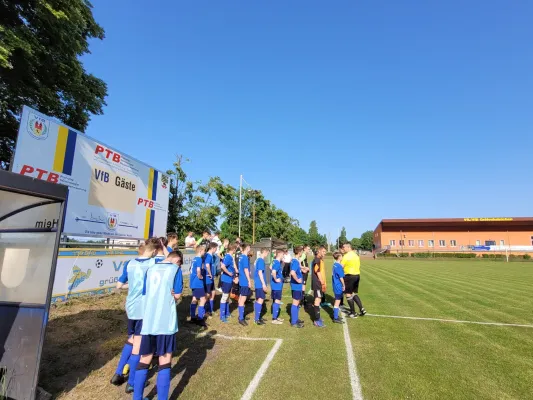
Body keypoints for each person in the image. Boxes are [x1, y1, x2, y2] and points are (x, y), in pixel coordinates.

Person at [111, 238, 164, 393]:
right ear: (154, 251)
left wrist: (133, 285)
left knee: (132, 338)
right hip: (143, 308)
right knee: (138, 347)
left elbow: (119, 286)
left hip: (131, 307)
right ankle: (132, 382)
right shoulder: (154, 264)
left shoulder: (129, 263)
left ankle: (119, 373)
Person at [132, 251, 183, 400]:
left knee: (145, 359)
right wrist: (173, 294)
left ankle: (137, 397)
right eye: (179, 262)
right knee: (165, 361)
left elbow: (145, 293)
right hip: (165, 322)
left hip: (149, 321)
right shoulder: (175, 269)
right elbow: (178, 295)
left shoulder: (151, 268)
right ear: (177, 260)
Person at [341, 242, 366, 318]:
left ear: (349, 247)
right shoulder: (356, 255)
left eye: (344, 247)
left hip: (349, 276)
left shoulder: (346, 256)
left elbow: (341, 266)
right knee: (353, 293)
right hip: (357, 275)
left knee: (348, 294)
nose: (343, 249)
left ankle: (353, 312)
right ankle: (362, 309)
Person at [189, 245, 207, 328]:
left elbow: (190, 270)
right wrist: (200, 276)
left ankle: (192, 317)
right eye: (204, 251)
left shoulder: (194, 258)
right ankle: (200, 319)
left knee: (194, 299)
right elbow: (198, 270)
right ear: (201, 251)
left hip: (193, 282)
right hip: (198, 283)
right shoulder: (199, 259)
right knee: (203, 299)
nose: (204, 252)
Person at [219, 243, 237, 322]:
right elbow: (222, 266)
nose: (235, 251)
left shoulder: (229, 256)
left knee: (227, 297)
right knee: (224, 297)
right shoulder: (228, 257)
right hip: (226, 280)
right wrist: (229, 273)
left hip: (229, 280)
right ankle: (222, 316)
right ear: (233, 249)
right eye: (235, 249)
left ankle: (227, 313)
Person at [311, 246, 327, 328]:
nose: (325, 253)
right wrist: (322, 283)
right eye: (323, 251)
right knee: (317, 300)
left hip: (318, 283)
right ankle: (316, 320)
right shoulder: (317, 260)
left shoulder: (319, 260)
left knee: (319, 299)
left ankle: (318, 318)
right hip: (317, 284)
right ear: (319, 251)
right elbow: (317, 271)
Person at [253, 247, 269, 325]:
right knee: (260, 300)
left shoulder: (258, 260)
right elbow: (260, 272)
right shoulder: (261, 260)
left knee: (258, 299)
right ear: (265, 252)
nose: (268, 254)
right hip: (259, 284)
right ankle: (257, 319)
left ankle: (258, 317)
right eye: (267, 253)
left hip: (258, 283)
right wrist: (263, 284)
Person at [290, 246, 305, 328]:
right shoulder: (295, 261)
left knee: (297, 302)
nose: (302, 253)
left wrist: (303, 268)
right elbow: (292, 272)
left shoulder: (294, 260)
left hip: (296, 286)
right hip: (296, 286)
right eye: (302, 252)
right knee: (295, 303)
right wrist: (297, 280)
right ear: (299, 252)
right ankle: (293, 322)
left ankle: (296, 319)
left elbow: (296, 269)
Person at [238, 243, 252, 326]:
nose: (250, 248)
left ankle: (241, 315)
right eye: (249, 247)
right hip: (244, 281)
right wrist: (249, 281)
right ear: (246, 248)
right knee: (243, 299)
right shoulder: (245, 257)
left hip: (241, 280)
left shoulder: (241, 256)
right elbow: (246, 270)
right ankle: (241, 318)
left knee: (241, 298)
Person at [270, 250, 284, 325]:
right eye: (282, 255)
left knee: (276, 300)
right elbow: (273, 271)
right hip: (277, 286)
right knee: (277, 301)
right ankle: (274, 319)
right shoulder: (277, 263)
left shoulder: (275, 261)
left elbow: (270, 267)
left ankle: (276, 316)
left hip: (276, 285)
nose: (283, 256)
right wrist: (276, 279)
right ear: (279, 254)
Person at [332, 252, 346, 324]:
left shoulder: (335, 264)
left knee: (337, 300)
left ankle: (336, 316)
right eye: (341, 256)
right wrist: (344, 285)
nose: (342, 256)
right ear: (339, 257)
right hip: (338, 286)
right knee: (337, 301)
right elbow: (341, 277)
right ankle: (335, 317)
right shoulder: (338, 266)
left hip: (335, 285)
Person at [204, 242, 217, 316]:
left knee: (213, 293)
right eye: (216, 248)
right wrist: (209, 273)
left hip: (211, 278)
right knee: (208, 294)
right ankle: (206, 311)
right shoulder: (208, 255)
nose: (216, 250)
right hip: (208, 278)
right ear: (212, 248)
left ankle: (211, 310)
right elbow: (207, 265)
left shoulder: (211, 255)